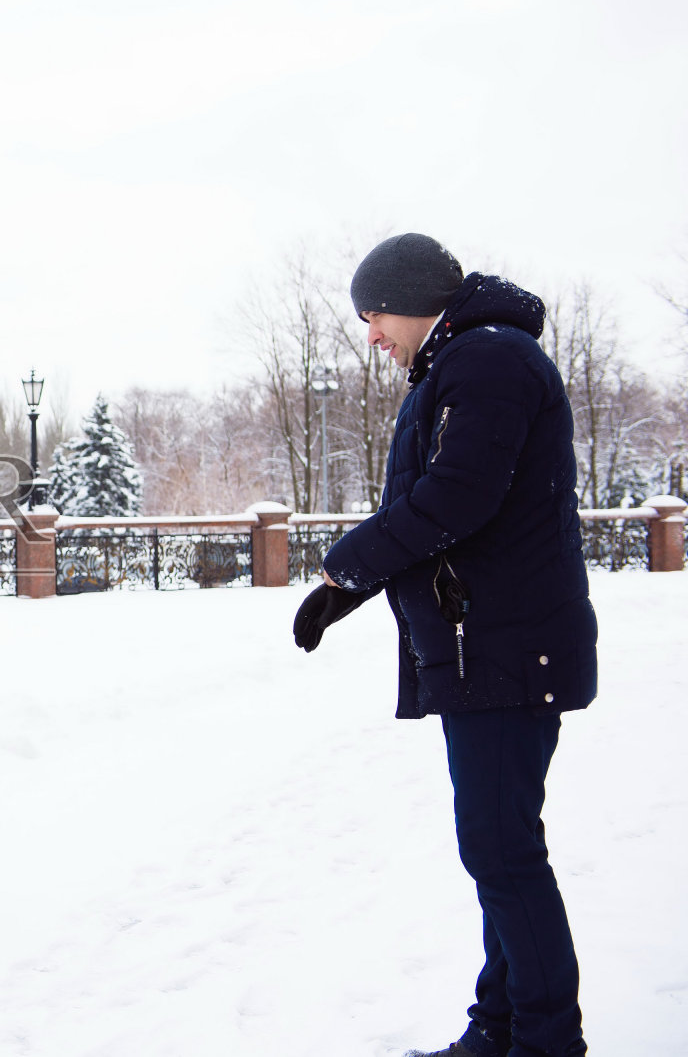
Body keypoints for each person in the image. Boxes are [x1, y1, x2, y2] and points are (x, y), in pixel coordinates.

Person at [293, 234, 596, 1057]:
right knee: (501, 850)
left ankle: (543, 1042)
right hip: (497, 648)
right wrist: (348, 589)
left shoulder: (485, 361)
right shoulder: (470, 359)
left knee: (502, 854)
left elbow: (456, 497)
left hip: (506, 650)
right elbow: (450, 505)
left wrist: (346, 569)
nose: (373, 335)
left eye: (375, 314)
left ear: (416, 296)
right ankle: (499, 1028)